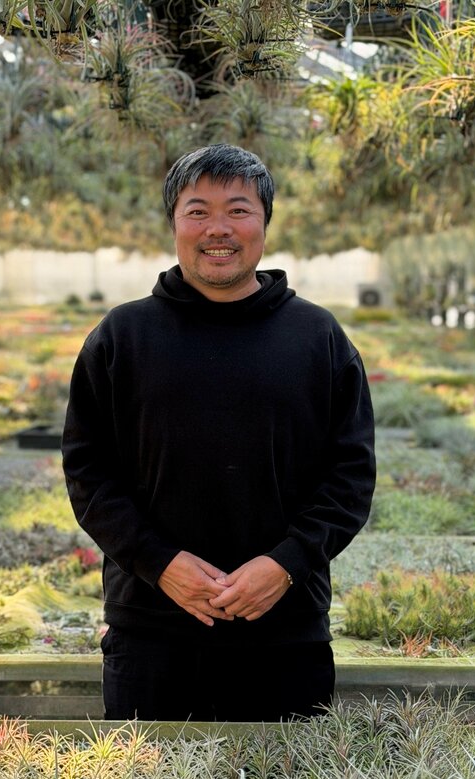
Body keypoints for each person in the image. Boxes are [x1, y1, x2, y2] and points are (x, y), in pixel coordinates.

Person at [61, 144, 375, 722]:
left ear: (265, 223)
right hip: (150, 632)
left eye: (239, 209)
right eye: (197, 211)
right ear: (174, 224)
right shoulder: (122, 337)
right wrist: (159, 563)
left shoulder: (317, 337)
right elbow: (88, 473)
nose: (218, 229)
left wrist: (284, 564)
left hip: (285, 633)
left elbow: (350, 477)